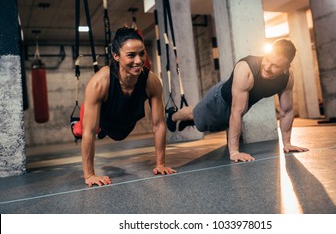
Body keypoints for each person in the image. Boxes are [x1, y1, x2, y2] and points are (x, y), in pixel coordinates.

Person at [166, 38, 309, 162]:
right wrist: (234, 152)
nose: (267, 67)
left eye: (276, 66)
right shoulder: (246, 68)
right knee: (197, 116)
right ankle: (173, 115)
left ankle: (193, 120)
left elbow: (287, 111)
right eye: (267, 59)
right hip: (219, 99)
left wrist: (287, 143)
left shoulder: (287, 78)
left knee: (208, 125)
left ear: (286, 67)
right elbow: (237, 112)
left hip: (239, 104)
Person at [74, 27, 177, 187]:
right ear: (116, 56)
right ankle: (76, 124)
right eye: (131, 55)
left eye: (142, 53)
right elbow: (89, 132)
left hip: (124, 123)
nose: (138, 60)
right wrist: (90, 175)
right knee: (83, 129)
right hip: (103, 122)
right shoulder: (99, 82)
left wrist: (160, 164)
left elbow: (158, 124)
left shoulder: (151, 81)